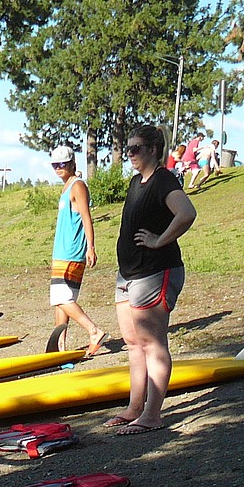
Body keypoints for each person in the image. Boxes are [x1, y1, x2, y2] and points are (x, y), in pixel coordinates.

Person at [105, 125, 197, 436]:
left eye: (137, 148)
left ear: (154, 150)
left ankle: (152, 414)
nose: (130, 154)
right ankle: (134, 408)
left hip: (156, 271)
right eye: (128, 148)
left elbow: (186, 213)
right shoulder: (136, 182)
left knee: (152, 343)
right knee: (133, 343)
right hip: (128, 273)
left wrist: (160, 241)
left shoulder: (163, 180)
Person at [48, 145, 106, 356]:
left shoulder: (78, 186)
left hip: (71, 251)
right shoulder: (66, 187)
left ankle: (94, 331)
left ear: (72, 163)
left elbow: (86, 217)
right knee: (61, 300)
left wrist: (91, 247)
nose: (58, 168)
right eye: (55, 165)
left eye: (62, 164)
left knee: (62, 298)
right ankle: (59, 345)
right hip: (61, 251)